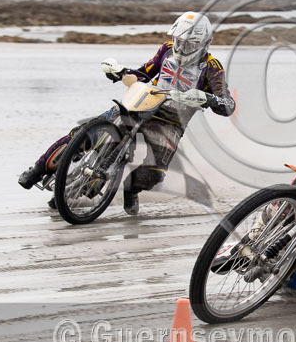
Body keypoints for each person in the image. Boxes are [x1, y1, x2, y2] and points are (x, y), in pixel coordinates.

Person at [18, 12, 235, 214]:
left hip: (170, 121)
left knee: (154, 171)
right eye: (180, 41)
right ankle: (37, 170)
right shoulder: (166, 50)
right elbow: (143, 73)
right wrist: (120, 72)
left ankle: (132, 189)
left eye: (191, 44)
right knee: (82, 133)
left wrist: (207, 98)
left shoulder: (212, 67)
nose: (183, 47)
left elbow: (228, 103)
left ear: (205, 44)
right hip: (139, 102)